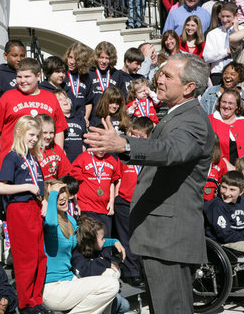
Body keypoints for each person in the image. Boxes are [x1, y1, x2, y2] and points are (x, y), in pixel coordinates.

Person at [84, 53, 215, 313]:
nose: (159, 79)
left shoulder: (192, 121)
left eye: (168, 75)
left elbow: (170, 150)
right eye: (161, 72)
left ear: (189, 87)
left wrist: (125, 144)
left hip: (169, 240)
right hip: (161, 238)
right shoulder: (177, 115)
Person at [0, 116, 51, 314]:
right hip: (19, 210)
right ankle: (26, 303)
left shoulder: (33, 158)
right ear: (19, 132)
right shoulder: (12, 157)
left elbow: (39, 188)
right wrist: (27, 187)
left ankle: (36, 300)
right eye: (31, 135)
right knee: (26, 258)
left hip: (34, 209)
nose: (35, 139)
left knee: (39, 256)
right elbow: (1, 187)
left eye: (38, 135)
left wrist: (43, 201)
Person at [41, 181, 119, 314]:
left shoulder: (70, 220)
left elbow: (86, 242)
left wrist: (113, 242)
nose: (62, 196)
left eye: (63, 191)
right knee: (111, 286)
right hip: (53, 288)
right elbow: (52, 223)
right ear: (51, 197)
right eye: (57, 193)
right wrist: (52, 194)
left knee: (112, 274)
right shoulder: (47, 220)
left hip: (68, 280)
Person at [0, 58, 67, 172]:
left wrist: (57, 154)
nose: (22, 81)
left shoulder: (50, 97)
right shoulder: (7, 96)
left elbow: (59, 128)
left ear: (38, 76)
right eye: (19, 77)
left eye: (27, 77)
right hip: (14, 162)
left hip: (43, 162)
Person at [113, 118, 153, 287]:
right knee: (126, 238)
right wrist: (114, 199)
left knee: (144, 239)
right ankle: (132, 273)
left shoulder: (152, 156)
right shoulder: (123, 155)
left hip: (144, 202)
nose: (137, 139)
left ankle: (147, 272)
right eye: (134, 135)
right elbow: (117, 178)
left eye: (141, 137)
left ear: (149, 137)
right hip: (124, 202)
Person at [71, 215, 130, 314]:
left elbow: (110, 261)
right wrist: (105, 263)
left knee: (124, 305)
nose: (104, 241)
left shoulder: (97, 249)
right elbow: (86, 271)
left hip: (104, 290)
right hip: (88, 296)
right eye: (102, 238)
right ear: (91, 241)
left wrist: (114, 242)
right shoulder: (77, 256)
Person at [71, 140, 120, 236]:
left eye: (104, 147)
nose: (101, 150)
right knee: (89, 239)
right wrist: (76, 203)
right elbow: (75, 182)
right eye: (98, 146)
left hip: (105, 209)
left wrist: (111, 202)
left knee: (105, 240)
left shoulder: (111, 159)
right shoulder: (82, 158)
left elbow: (112, 182)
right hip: (87, 207)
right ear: (92, 143)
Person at [204, 171, 244, 252]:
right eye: (224, 187)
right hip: (222, 245)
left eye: (232, 189)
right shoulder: (216, 206)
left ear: (241, 192)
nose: (226, 193)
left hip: (241, 240)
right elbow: (225, 235)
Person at [85, 41, 128, 127]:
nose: (104, 61)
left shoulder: (117, 74)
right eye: (101, 57)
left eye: (107, 58)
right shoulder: (89, 73)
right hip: (94, 120)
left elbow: (123, 98)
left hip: (113, 120)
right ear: (96, 57)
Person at [0, 39, 26, 123]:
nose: (19, 59)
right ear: (5, 55)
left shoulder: (27, 74)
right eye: (15, 55)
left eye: (22, 56)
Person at [208, 89, 244, 167]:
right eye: (223, 102)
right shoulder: (209, 121)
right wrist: (230, 168)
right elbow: (210, 149)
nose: (226, 106)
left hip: (241, 172)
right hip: (217, 169)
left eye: (230, 103)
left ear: (237, 106)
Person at [203, 2, 239, 86]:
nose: (224, 20)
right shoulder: (213, 34)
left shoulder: (243, 32)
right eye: (222, 16)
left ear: (235, 16)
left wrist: (237, 31)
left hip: (237, 74)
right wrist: (226, 51)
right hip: (218, 74)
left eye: (228, 16)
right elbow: (207, 57)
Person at [35, 114, 72, 181]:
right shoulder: (32, 151)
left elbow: (65, 173)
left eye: (51, 132)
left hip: (54, 188)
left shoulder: (56, 148)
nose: (48, 137)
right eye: (45, 133)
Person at [55, 89, 87, 163]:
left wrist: (85, 146)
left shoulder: (79, 119)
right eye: (60, 99)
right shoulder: (56, 120)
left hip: (80, 160)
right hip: (65, 160)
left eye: (66, 98)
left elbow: (85, 136)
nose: (65, 101)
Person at [63, 42, 91, 124]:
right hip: (65, 119)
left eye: (76, 59)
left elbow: (89, 102)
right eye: (70, 57)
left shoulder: (86, 77)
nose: (71, 62)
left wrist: (86, 118)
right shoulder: (62, 74)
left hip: (80, 120)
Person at [203, 134, 227, 201]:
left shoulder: (221, 163)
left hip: (212, 201)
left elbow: (224, 182)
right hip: (195, 199)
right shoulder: (196, 159)